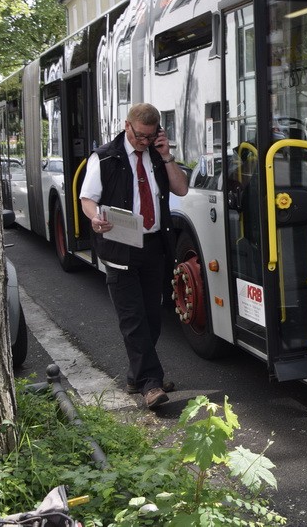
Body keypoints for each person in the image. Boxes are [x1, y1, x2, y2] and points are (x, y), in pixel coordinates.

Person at [79, 103, 189, 409]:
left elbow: (181, 188)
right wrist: (94, 218)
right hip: (118, 246)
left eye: (150, 136)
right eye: (140, 136)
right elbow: (88, 198)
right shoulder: (104, 157)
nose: (144, 141)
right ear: (127, 126)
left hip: (154, 245)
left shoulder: (157, 155)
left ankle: (136, 374)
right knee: (133, 319)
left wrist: (167, 156)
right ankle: (150, 384)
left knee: (153, 317)